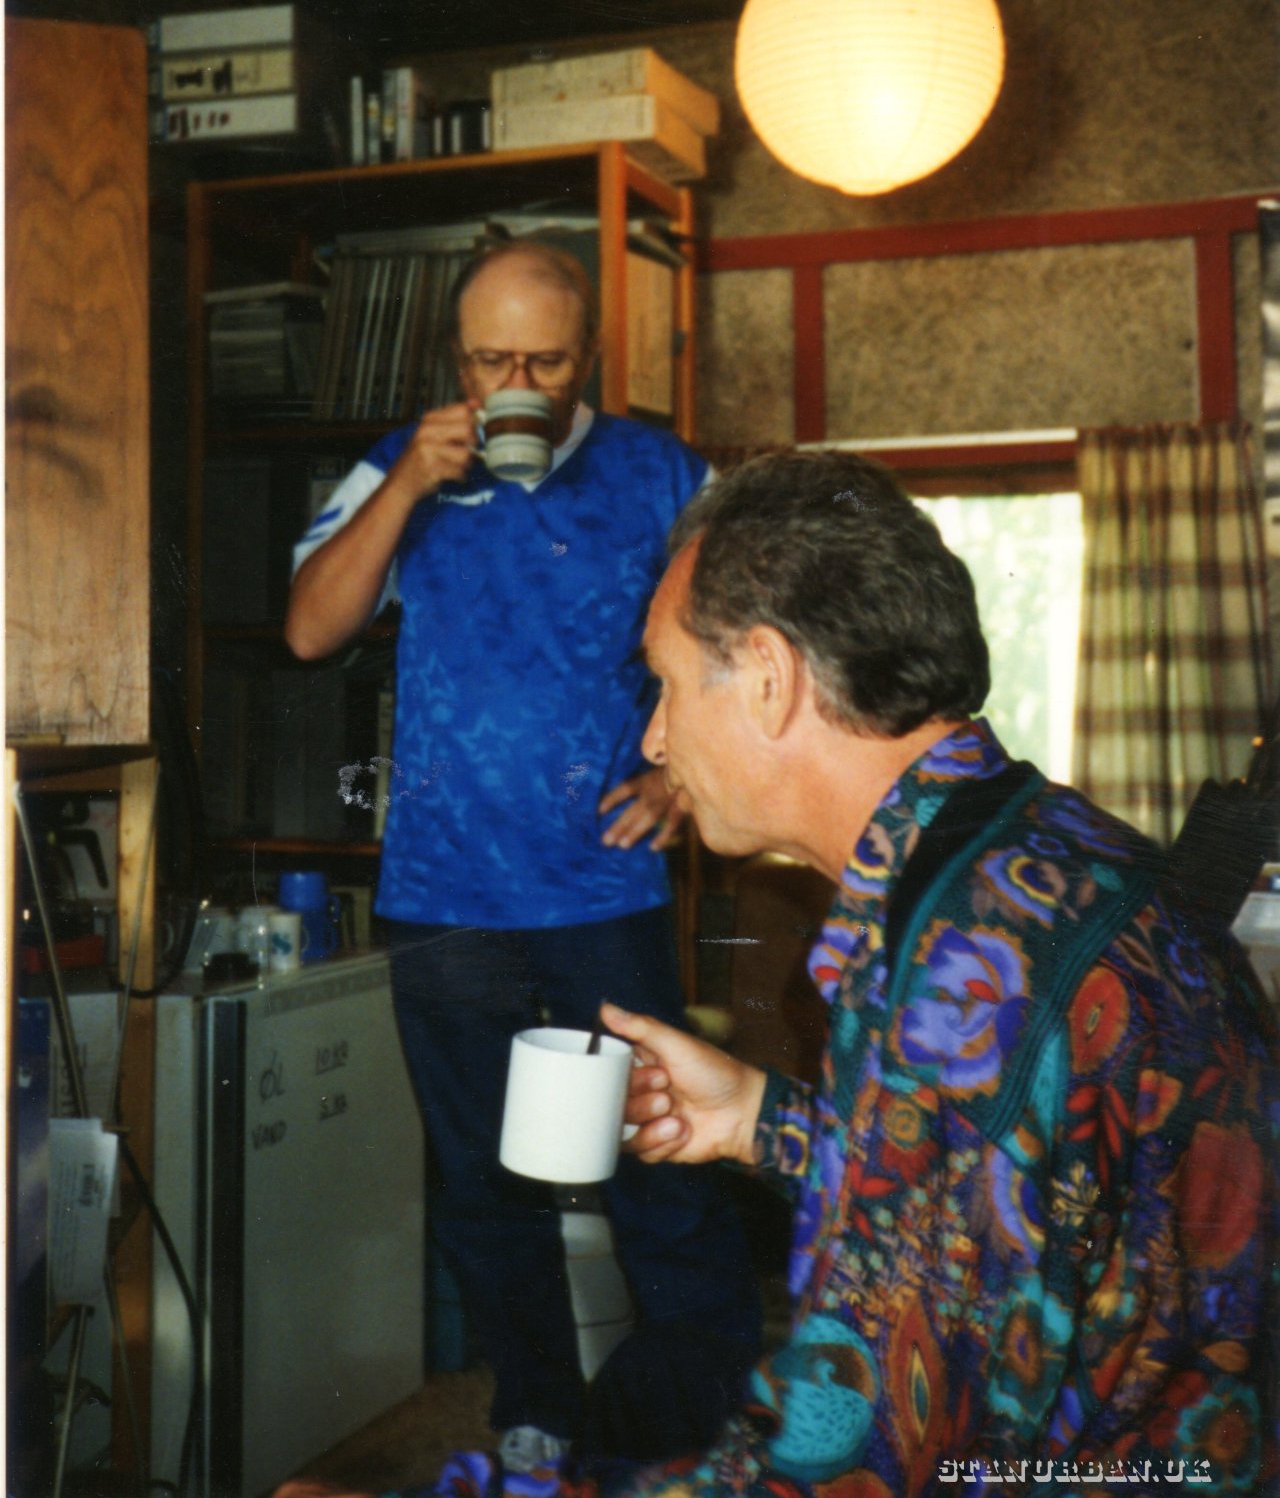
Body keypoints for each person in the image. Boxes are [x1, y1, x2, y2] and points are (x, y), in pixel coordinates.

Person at [280, 446, 1277, 1498]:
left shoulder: (958, 985)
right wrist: (765, 1117)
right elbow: (1000, 1191)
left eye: (664, 684)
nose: (653, 739)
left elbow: (839, 1472)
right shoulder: (1047, 849)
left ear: (767, 677)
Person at [284, 240, 759, 1468]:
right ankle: (535, 1408)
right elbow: (309, 629)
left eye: (543, 361)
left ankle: (702, 1414)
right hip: (441, 893)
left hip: (600, 885)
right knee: (482, 1176)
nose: (517, 384)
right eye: (490, 360)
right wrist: (406, 483)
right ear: (457, 359)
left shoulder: (664, 473)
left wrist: (681, 778)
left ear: (587, 353)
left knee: (658, 1161)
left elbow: (753, 641)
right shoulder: (401, 462)